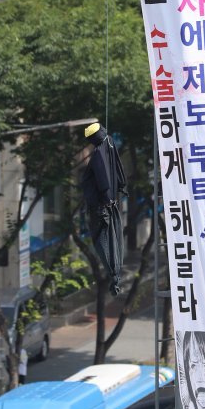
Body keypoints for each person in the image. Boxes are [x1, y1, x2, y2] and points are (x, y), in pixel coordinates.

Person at [81, 122, 127, 297]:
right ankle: (115, 275)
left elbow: (103, 179)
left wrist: (106, 198)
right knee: (113, 243)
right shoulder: (109, 145)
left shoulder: (99, 154)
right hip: (110, 206)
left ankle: (114, 276)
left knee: (104, 243)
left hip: (102, 209)